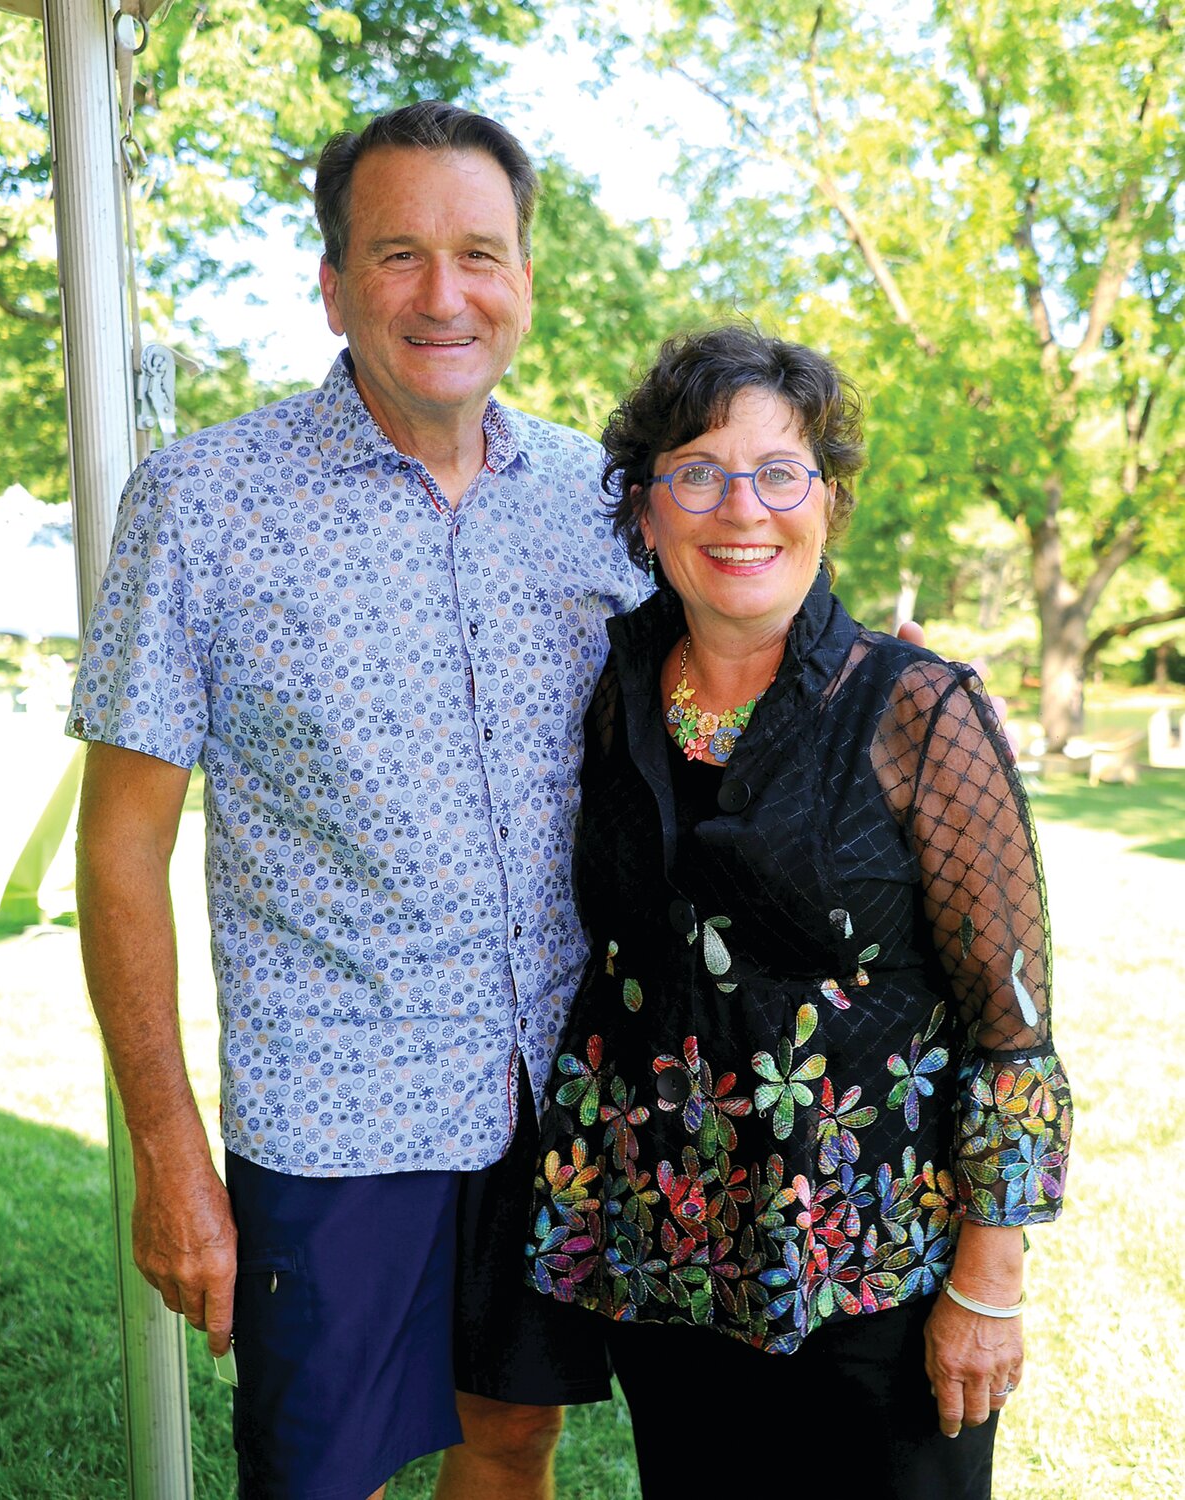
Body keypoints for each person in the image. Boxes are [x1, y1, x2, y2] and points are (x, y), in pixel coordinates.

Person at [68, 101, 645, 1500]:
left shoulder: (600, 500)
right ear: (332, 286)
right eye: (396, 255)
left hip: (553, 1093)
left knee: (513, 1437)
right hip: (332, 1115)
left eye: (477, 253)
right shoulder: (202, 503)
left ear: (523, 279)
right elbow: (122, 850)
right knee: (317, 1476)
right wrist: (165, 1149)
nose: (442, 295)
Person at [525, 326, 1072, 1498]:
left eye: (780, 471)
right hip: (666, 1257)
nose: (742, 509)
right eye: (697, 472)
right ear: (644, 510)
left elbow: (1012, 1022)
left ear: (826, 500)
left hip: (877, 1268)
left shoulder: (917, 708)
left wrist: (987, 1275)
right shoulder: (612, 697)